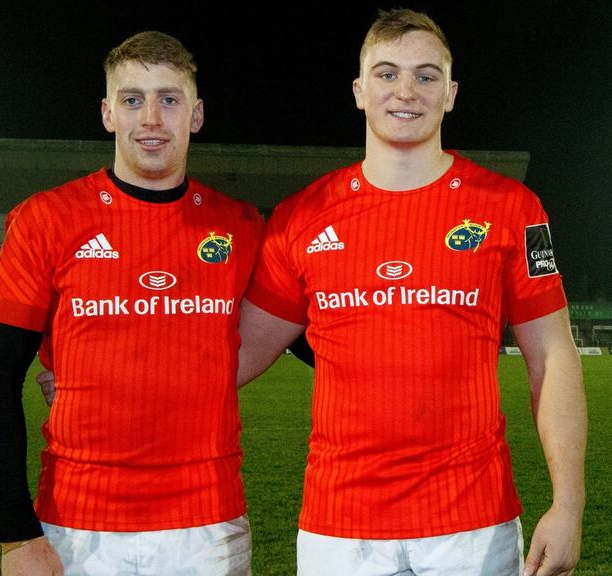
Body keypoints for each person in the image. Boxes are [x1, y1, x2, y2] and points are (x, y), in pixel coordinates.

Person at [235, 9, 586, 576]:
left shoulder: (511, 208)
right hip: (339, 529)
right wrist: (88, 369)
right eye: (386, 73)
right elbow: (233, 355)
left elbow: (553, 356)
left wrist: (568, 505)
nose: (406, 91)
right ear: (358, 91)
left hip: (473, 526)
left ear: (450, 93)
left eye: (425, 76)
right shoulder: (301, 218)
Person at [0, 31, 262, 575]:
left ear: (195, 115)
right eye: (133, 99)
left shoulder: (240, 226)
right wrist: (15, 535)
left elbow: (310, 331)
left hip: (209, 526)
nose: (151, 117)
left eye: (169, 99)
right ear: (108, 113)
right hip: (76, 525)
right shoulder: (46, 220)